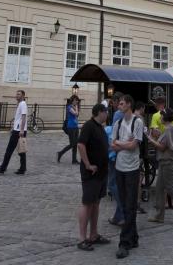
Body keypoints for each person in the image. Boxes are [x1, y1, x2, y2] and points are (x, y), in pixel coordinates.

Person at [112, 94, 144, 259]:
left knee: (130, 205)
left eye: (122, 103)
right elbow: (113, 145)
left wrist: (121, 144)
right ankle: (134, 237)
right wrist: (124, 144)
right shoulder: (117, 123)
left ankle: (124, 242)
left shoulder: (137, 122)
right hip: (120, 167)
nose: (119, 106)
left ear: (129, 105)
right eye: (119, 104)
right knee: (125, 204)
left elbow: (133, 146)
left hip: (132, 168)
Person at [76, 102, 110, 251]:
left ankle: (93, 235)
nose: (108, 114)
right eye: (106, 112)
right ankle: (82, 239)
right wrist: (88, 164)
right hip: (91, 173)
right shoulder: (89, 126)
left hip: (102, 172)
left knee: (96, 203)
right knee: (87, 203)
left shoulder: (100, 127)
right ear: (100, 112)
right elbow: (80, 145)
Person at [0, 89, 27, 175]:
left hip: (19, 131)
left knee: (10, 150)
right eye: (16, 94)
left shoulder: (23, 104)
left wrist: (22, 130)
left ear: (23, 96)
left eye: (19, 94)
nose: (17, 95)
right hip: (17, 130)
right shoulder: (20, 104)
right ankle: (23, 168)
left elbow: (23, 117)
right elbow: (18, 118)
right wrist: (13, 127)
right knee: (21, 150)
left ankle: (2, 168)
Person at [57, 95, 80, 164]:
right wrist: (76, 107)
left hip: (76, 127)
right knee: (72, 144)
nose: (77, 101)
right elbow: (75, 113)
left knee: (75, 144)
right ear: (72, 100)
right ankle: (60, 153)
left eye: (77, 100)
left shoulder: (75, 107)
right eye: (76, 100)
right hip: (70, 127)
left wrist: (76, 108)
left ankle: (74, 160)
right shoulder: (69, 107)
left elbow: (77, 114)